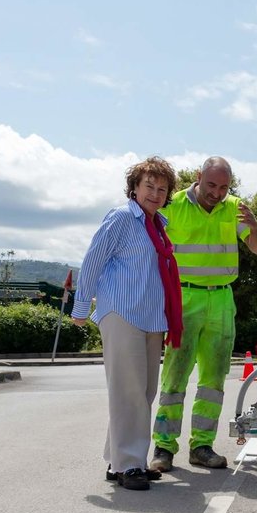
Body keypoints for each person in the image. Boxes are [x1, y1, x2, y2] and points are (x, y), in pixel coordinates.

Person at [150, 157, 257, 472]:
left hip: (221, 299)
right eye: (212, 185)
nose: (217, 193)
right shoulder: (172, 205)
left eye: (224, 187)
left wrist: (255, 227)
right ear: (199, 177)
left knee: (214, 379)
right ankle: (163, 448)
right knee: (174, 376)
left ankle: (201, 446)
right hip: (183, 297)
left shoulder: (235, 208)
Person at [72, 156, 182, 491]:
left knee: (143, 391)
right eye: (149, 185)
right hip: (122, 312)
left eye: (162, 189)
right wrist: (80, 307)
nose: (155, 193)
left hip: (150, 316)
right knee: (128, 391)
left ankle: (118, 459)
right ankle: (130, 465)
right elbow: (93, 259)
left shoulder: (158, 225)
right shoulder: (121, 218)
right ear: (134, 188)